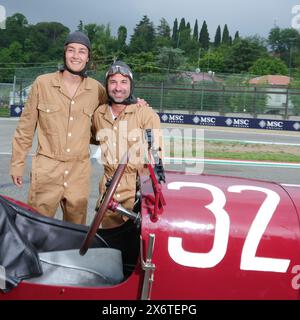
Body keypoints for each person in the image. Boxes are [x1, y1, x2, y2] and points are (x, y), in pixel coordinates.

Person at [9, 31, 107, 224]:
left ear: (88, 58)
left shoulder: (97, 90)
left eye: (81, 51)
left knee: (75, 230)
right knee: (38, 227)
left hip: (79, 171)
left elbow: (108, 120)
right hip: (46, 168)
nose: (76, 55)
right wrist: (17, 165)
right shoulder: (43, 83)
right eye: (71, 50)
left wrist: (136, 105)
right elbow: (25, 129)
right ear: (64, 54)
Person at [92, 60, 165, 229]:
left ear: (131, 86)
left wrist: (155, 192)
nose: (118, 88)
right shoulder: (99, 114)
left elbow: (157, 158)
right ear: (107, 85)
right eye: (113, 82)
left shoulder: (146, 114)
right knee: (110, 247)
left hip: (137, 195)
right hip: (108, 192)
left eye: (124, 82)